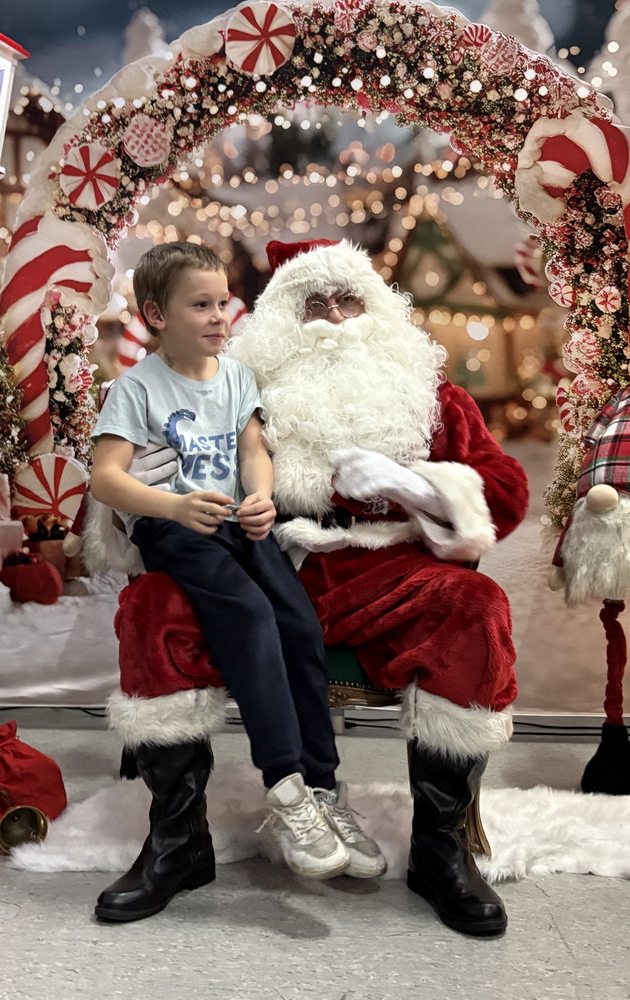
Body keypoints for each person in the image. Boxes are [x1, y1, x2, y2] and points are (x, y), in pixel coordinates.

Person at [106, 238, 529, 937]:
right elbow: (148, 466)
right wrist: (145, 492)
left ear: (378, 310)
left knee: (474, 607)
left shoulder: (432, 397)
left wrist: (414, 486)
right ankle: (178, 843)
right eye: (314, 303)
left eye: (348, 300)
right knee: (152, 606)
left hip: (390, 573)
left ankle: (440, 850)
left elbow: (506, 495)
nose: (334, 317)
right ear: (281, 320)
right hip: (271, 562)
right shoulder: (240, 385)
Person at [89, 242, 386, 924]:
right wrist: (172, 508)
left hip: (235, 523)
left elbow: (253, 451)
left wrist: (260, 496)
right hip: (176, 528)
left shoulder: (237, 378)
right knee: (249, 616)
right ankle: (285, 788)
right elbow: (107, 478)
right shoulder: (136, 389)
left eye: (222, 302)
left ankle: (323, 789)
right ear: (156, 315)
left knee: (298, 622)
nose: (220, 317)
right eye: (201, 305)